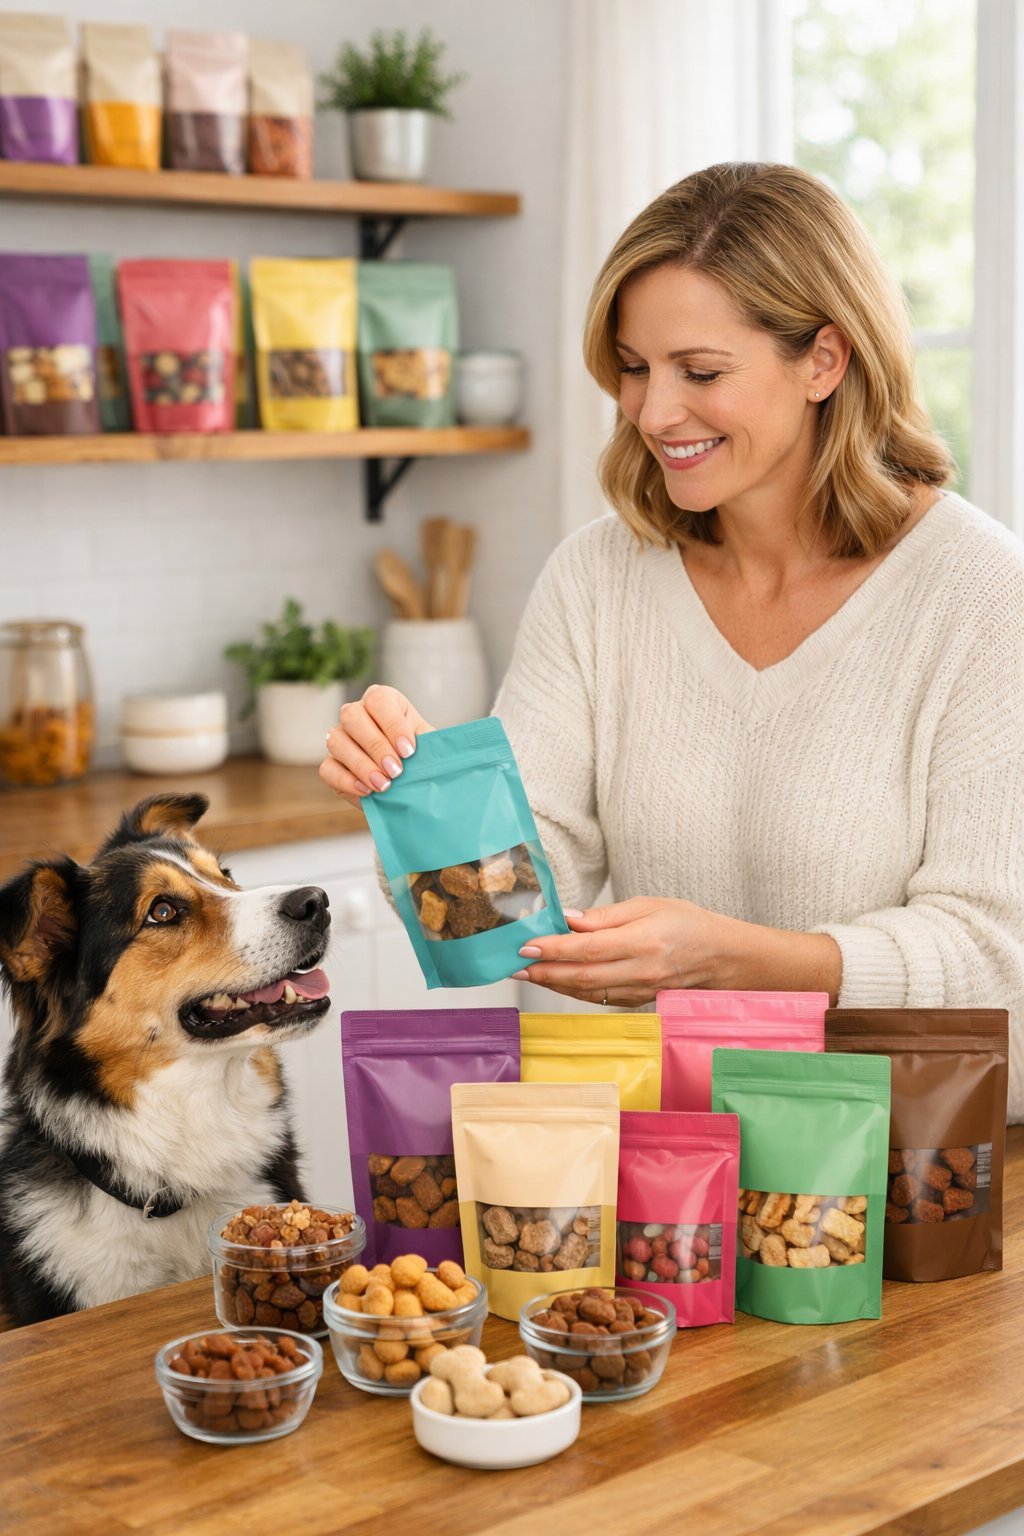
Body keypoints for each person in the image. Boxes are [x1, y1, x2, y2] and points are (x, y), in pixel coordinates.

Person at [321, 162, 1024, 1122]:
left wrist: (736, 963)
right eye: (634, 367)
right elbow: (504, 919)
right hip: (661, 1186)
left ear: (825, 360)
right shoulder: (597, 580)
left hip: (901, 1187)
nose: (654, 413)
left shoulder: (983, 594)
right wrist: (418, 791)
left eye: (701, 372)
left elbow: (996, 968)